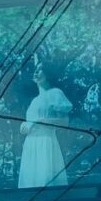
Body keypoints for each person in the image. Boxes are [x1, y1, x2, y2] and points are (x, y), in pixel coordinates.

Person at [18, 55, 73, 188]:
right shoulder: (35, 100)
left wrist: (39, 121)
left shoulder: (55, 93)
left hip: (46, 142)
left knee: (46, 182)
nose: (36, 72)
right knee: (31, 183)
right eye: (35, 70)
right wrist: (25, 125)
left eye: (40, 69)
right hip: (31, 144)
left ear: (48, 74)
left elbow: (64, 122)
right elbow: (31, 122)